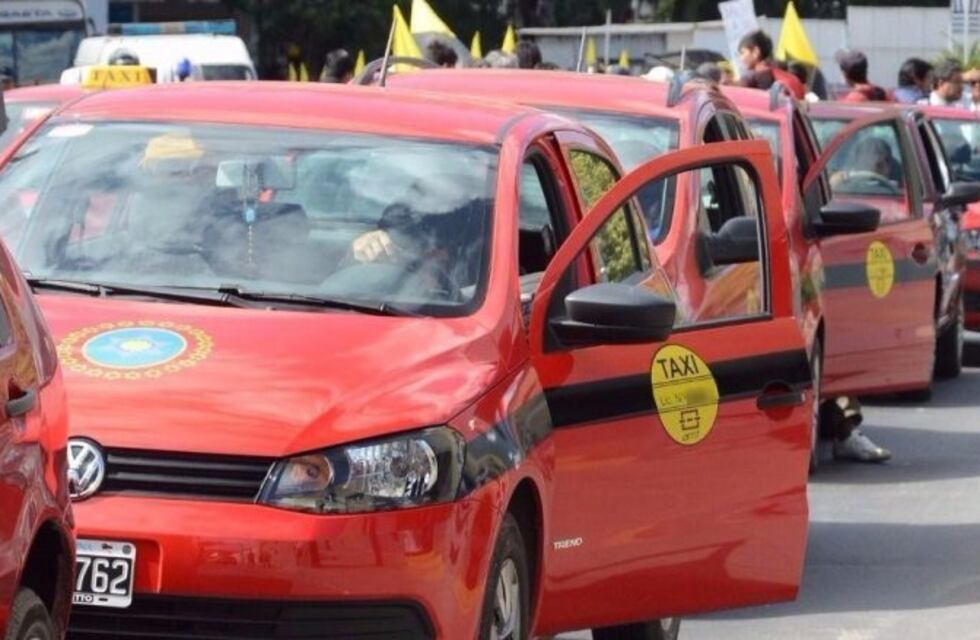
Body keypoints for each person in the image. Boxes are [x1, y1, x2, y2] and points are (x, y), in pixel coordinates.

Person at [736, 30, 806, 99]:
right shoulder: (789, 76)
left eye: (742, 53)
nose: (741, 58)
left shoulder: (751, 79)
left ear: (755, 52)